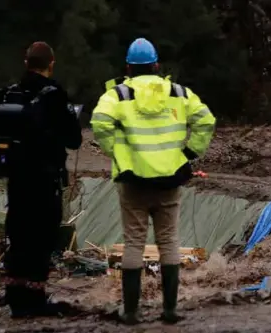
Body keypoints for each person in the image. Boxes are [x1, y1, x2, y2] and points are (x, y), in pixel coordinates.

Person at [90, 38, 216, 325]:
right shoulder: (179, 93)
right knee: (169, 241)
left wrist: (118, 152)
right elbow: (206, 120)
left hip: (133, 180)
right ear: (157, 66)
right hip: (170, 180)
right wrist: (188, 153)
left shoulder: (118, 95)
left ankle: (131, 312)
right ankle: (170, 310)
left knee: (134, 242)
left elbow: (99, 121)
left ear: (128, 68)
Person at [0, 42, 82, 318]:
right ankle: (34, 298)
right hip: (44, 179)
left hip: (16, 178)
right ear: (51, 64)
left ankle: (15, 295)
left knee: (19, 234)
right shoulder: (54, 94)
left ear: (26, 63)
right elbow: (74, 139)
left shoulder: (11, 93)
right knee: (42, 237)